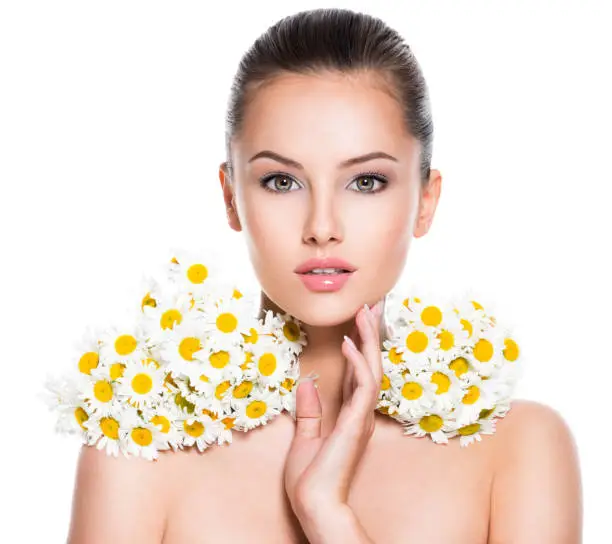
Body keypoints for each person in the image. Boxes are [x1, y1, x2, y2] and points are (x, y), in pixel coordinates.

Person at [67, 8, 582, 543]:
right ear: (231, 197)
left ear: (425, 202)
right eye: (281, 182)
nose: (322, 227)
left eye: (365, 182)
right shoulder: (140, 447)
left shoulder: (517, 449)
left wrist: (326, 514)